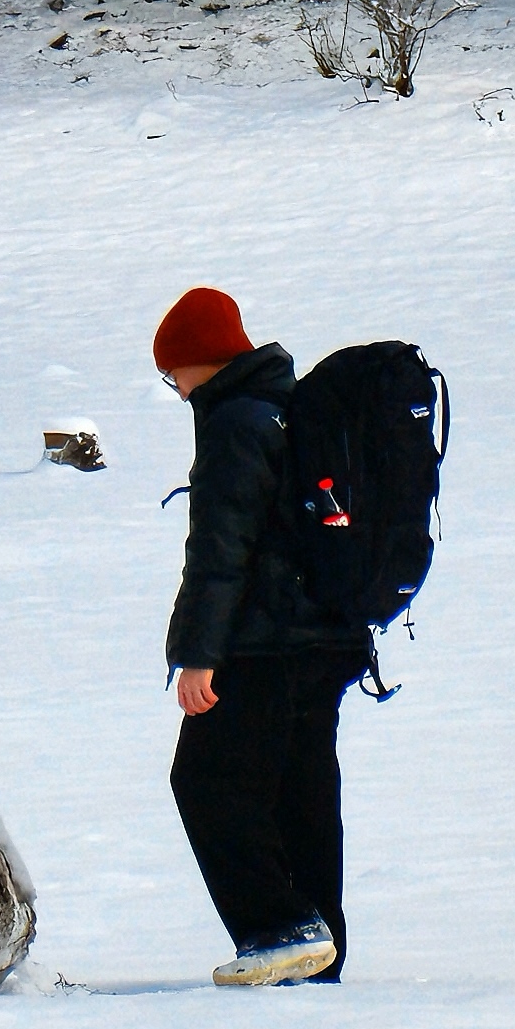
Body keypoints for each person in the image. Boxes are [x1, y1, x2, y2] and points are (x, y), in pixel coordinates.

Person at [153, 285, 367, 990]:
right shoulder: (287, 406)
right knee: (302, 792)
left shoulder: (236, 423)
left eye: (173, 374)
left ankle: (279, 928)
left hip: (265, 644)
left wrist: (199, 655)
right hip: (328, 639)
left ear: (199, 359)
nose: (178, 390)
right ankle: (319, 954)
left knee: (205, 780)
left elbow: (222, 550)